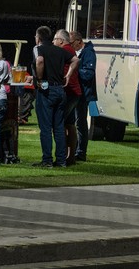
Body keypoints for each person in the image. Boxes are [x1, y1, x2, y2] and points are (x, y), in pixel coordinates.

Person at [32, 25, 75, 168]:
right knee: (59, 127)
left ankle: (47, 160)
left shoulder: (38, 48)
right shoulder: (60, 50)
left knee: (45, 127)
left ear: (38, 38)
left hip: (46, 89)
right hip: (60, 90)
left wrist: (39, 79)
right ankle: (61, 160)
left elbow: (39, 61)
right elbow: (75, 60)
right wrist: (68, 75)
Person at [55, 29, 83, 165]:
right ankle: (71, 156)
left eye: (55, 39)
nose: (53, 42)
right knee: (70, 124)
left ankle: (61, 156)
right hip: (75, 92)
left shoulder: (63, 51)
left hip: (68, 92)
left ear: (61, 41)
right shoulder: (71, 50)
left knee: (59, 123)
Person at [70, 30, 95, 162]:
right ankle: (76, 150)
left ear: (79, 41)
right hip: (78, 91)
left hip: (83, 93)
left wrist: (74, 71)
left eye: (71, 43)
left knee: (80, 123)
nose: (70, 45)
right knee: (78, 122)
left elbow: (89, 74)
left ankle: (81, 152)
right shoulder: (80, 52)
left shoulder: (88, 53)